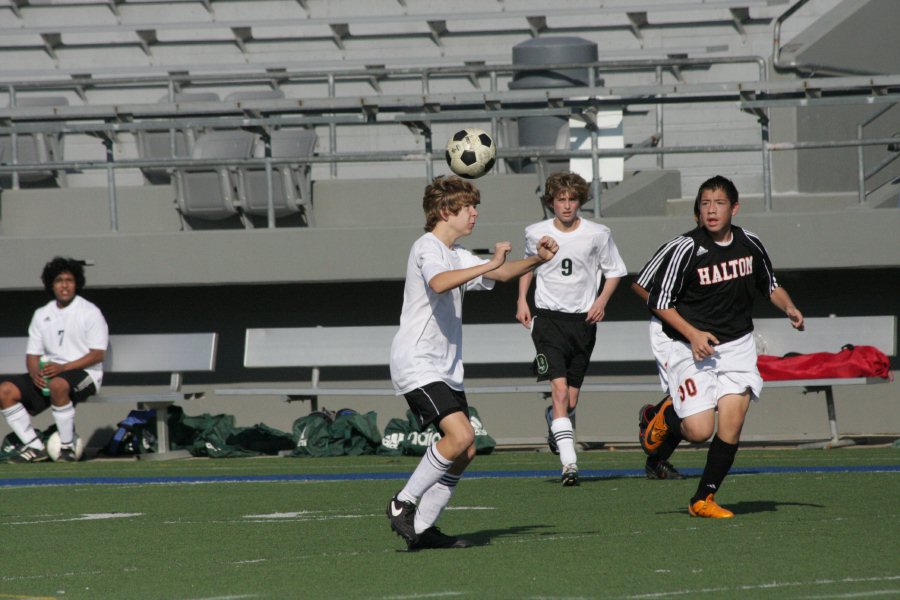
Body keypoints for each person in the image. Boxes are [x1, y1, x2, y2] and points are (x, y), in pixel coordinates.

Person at [387, 175, 559, 550]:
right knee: (461, 436)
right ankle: (403, 503)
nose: (475, 214)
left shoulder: (458, 254)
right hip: (417, 361)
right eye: (469, 208)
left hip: (445, 367)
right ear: (447, 211)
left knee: (465, 451)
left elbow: (500, 271)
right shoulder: (427, 247)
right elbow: (439, 283)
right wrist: (487, 264)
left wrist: (536, 260)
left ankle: (422, 528)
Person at [641, 175, 804, 517]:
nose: (711, 210)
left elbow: (770, 285)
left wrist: (788, 306)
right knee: (699, 431)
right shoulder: (686, 248)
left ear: (734, 208)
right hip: (689, 346)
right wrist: (694, 334)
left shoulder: (750, 243)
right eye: (705, 203)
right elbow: (657, 300)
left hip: (738, 346)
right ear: (697, 210)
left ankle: (703, 499)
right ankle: (664, 416)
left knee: (732, 421)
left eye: (719, 203)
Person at [515, 172, 627, 486]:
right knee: (560, 391)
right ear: (551, 201)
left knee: (570, 401)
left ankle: (556, 421)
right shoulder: (535, 232)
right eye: (560, 200)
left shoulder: (598, 233)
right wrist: (522, 299)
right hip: (547, 321)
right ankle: (570, 465)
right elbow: (528, 265)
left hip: (583, 323)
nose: (566, 206)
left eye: (572, 199)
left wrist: (601, 300)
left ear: (580, 201)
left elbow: (615, 271)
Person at [0, 257, 109, 463]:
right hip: (52, 372)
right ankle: (34, 446)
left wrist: (63, 367)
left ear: (77, 283)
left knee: (59, 385)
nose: (65, 285)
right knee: (5, 391)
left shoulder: (89, 312)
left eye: (69, 280)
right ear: (52, 284)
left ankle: (66, 447)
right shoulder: (42, 314)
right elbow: (33, 354)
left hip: (86, 372)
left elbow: (97, 354)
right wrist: (35, 375)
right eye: (59, 280)